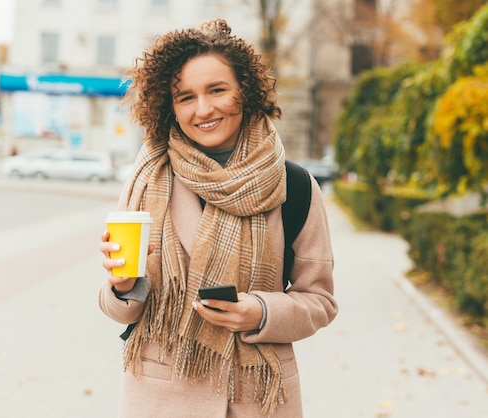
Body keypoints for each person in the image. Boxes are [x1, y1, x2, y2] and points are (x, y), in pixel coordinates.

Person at [98, 18, 338, 418]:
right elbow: (119, 310)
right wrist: (123, 287)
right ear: (169, 107)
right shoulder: (147, 180)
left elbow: (320, 301)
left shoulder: (294, 185)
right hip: (161, 396)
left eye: (217, 90)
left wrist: (261, 312)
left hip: (255, 397)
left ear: (243, 91)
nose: (203, 109)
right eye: (185, 97)